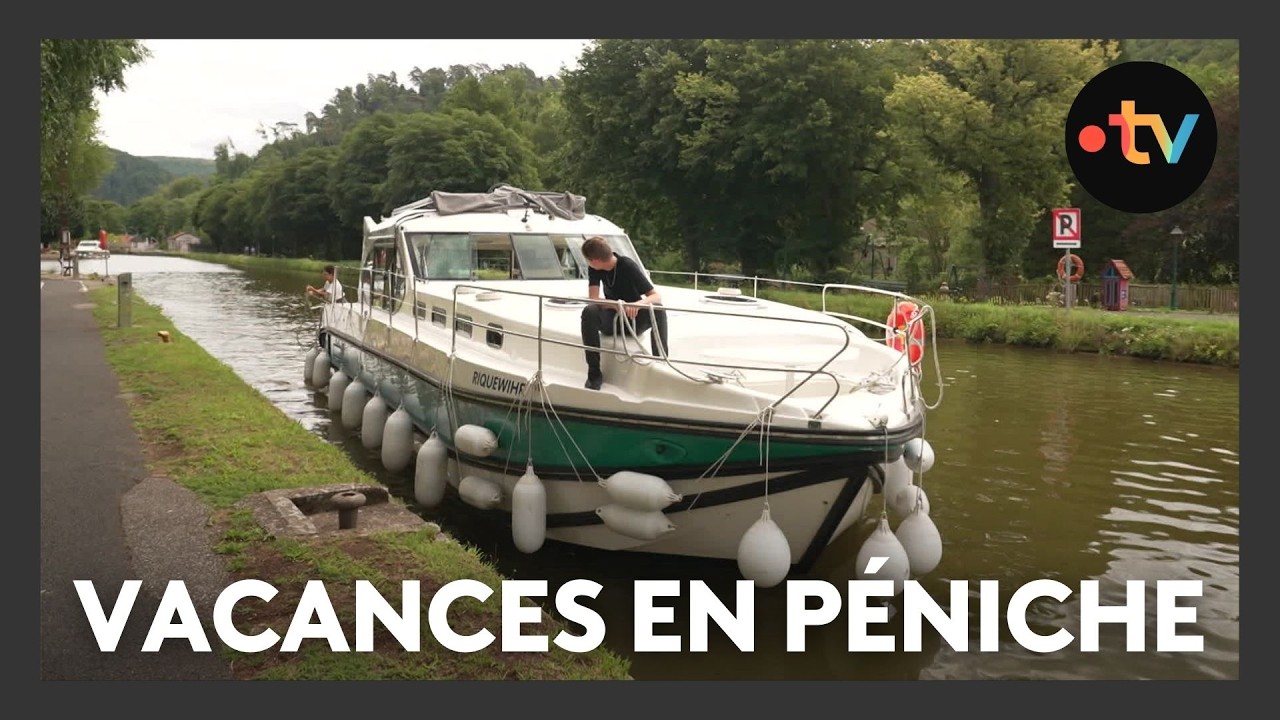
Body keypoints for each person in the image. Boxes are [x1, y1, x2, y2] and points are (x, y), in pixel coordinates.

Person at [579, 236, 669, 390]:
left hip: (634, 319)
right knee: (589, 311)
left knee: (658, 309)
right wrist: (615, 304)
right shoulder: (594, 269)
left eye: (588, 260)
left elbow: (655, 296)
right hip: (613, 319)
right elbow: (593, 298)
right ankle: (594, 372)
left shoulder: (627, 266)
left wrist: (637, 304)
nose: (588, 263)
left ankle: (660, 362)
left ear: (595, 260)